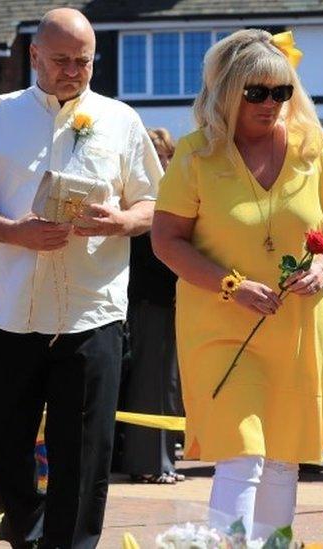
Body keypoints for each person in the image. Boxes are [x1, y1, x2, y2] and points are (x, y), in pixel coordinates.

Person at [0, 8, 162, 547]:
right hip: (7, 309)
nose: (72, 71)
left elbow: (154, 204)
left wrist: (122, 221)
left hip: (92, 310)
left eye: (83, 61)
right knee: (0, 442)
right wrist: (13, 232)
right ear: (34, 55)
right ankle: (31, 534)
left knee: (86, 453)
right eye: (60, 60)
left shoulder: (121, 119)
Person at [152, 29, 323, 539]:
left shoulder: (312, 147)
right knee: (242, 453)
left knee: (285, 458)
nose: (271, 104)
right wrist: (232, 286)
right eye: (257, 93)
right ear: (227, 91)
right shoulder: (196, 155)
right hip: (221, 327)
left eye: (281, 92)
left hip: (297, 327)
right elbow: (166, 241)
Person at [119, 127, 185, 484]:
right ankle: (148, 463)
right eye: (155, 155)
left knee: (169, 383)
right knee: (150, 383)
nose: (162, 161)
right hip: (148, 299)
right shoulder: (139, 199)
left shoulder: (176, 194)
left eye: (166, 155)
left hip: (176, 298)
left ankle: (165, 460)